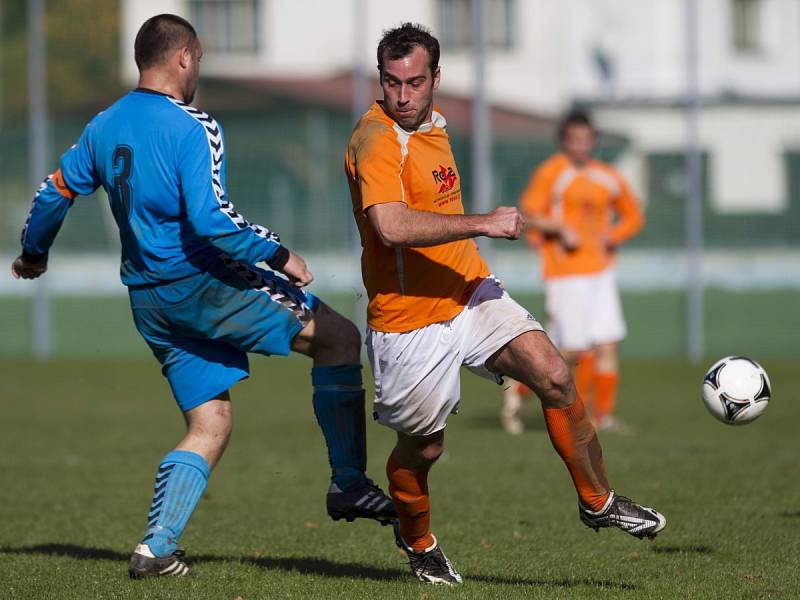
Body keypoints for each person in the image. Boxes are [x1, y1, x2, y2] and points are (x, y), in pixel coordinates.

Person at [12, 14, 395, 579]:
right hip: (205, 283)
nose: (200, 73)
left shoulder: (103, 124)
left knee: (209, 423)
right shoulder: (193, 125)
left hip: (151, 302)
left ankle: (156, 548)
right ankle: (348, 483)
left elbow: (56, 191)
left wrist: (34, 253)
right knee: (340, 338)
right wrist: (278, 253)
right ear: (183, 58)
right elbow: (212, 220)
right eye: (200, 61)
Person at [344, 23, 665, 585]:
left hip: (468, 291)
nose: (403, 95)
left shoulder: (435, 126)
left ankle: (598, 500)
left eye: (415, 82)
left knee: (555, 376)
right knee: (424, 451)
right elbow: (390, 226)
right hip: (408, 321)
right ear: (381, 80)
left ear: (435, 78)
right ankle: (417, 539)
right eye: (392, 83)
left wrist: (474, 243)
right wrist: (484, 223)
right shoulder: (376, 141)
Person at [502, 110, 644, 434]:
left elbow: (633, 216)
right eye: (573, 139)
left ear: (594, 141)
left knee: (607, 343)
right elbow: (526, 215)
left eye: (586, 139)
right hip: (566, 273)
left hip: (601, 271)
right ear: (563, 142)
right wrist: (556, 229)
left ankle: (601, 416)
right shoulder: (552, 174)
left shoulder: (608, 176)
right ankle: (520, 388)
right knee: (571, 350)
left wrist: (614, 235)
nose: (580, 145)